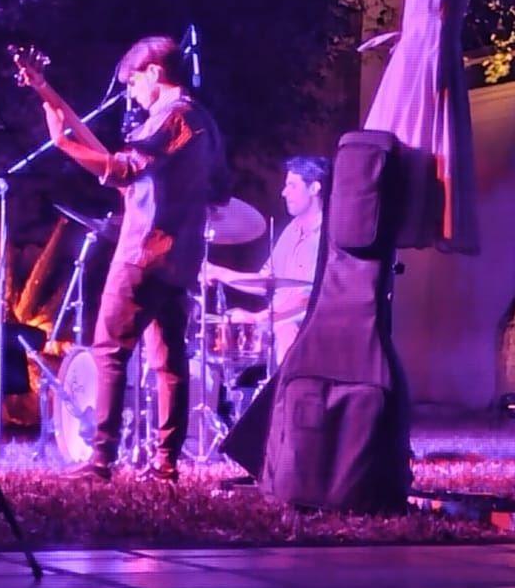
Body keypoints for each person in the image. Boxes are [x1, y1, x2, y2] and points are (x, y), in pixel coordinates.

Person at [42, 35, 229, 482]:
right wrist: (45, 92)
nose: (131, 93)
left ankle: (100, 459)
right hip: (181, 258)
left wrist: (64, 144)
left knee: (109, 351)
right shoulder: (204, 120)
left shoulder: (172, 117)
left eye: (133, 83)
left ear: (154, 73)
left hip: (143, 252)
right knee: (169, 361)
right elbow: (219, 188)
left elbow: (123, 168)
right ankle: (165, 463)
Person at [202, 155, 327, 365]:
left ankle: (286, 384)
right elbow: (266, 281)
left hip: (306, 329)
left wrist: (258, 318)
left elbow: (308, 297)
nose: (284, 192)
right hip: (274, 324)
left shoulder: (327, 236)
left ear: (314, 188)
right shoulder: (292, 229)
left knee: (287, 331)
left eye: (292, 186)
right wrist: (217, 272)